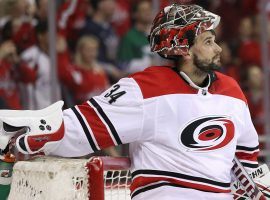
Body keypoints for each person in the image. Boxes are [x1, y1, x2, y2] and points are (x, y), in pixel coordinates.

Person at [0, 4, 268, 200]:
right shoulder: (145, 89)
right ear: (183, 48)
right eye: (208, 41)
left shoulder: (231, 91)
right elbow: (78, 129)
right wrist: (26, 130)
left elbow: (246, 162)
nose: (219, 48)